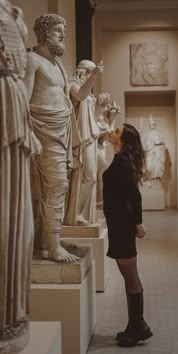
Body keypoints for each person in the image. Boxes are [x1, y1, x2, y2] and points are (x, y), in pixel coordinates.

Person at [0, 0, 40, 350]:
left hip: (14, 111)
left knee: (20, 224)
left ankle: (12, 313)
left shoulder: (12, 13)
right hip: (5, 107)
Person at [24, 14, 79, 262]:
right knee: (57, 185)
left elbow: (67, 97)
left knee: (52, 188)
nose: (62, 35)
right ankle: (53, 246)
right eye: (58, 31)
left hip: (61, 129)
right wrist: (29, 131)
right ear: (45, 33)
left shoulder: (58, 64)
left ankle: (48, 241)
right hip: (43, 130)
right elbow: (22, 100)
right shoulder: (32, 60)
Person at [102, 123, 153, 347]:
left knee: (130, 274)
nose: (112, 132)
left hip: (122, 225)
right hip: (118, 224)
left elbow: (135, 196)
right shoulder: (120, 159)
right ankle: (134, 325)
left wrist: (138, 223)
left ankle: (139, 326)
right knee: (128, 274)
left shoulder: (122, 164)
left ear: (122, 140)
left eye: (116, 131)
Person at [64, 59, 103, 225]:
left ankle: (84, 215)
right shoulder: (72, 84)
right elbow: (80, 95)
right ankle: (76, 213)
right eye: (90, 72)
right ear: (82, 71)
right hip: (81, 138)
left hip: (90, 137)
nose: (91, 75)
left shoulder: (89, 91)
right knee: (87, 175)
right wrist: (93, 77)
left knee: (90, 176)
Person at [141, 115, 165, 186]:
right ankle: (148, 180)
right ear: (149, 125)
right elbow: (143, 143)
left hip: (157, 153)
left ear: (155, 125)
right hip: (149, 152)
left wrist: (157, 145)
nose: (152, 125)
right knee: (148, 167)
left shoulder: (159, 133)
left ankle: (155, 181)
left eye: (153, 124)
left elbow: (162, 144)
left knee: (157, 167)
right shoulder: (146, 134)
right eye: (151, 124)